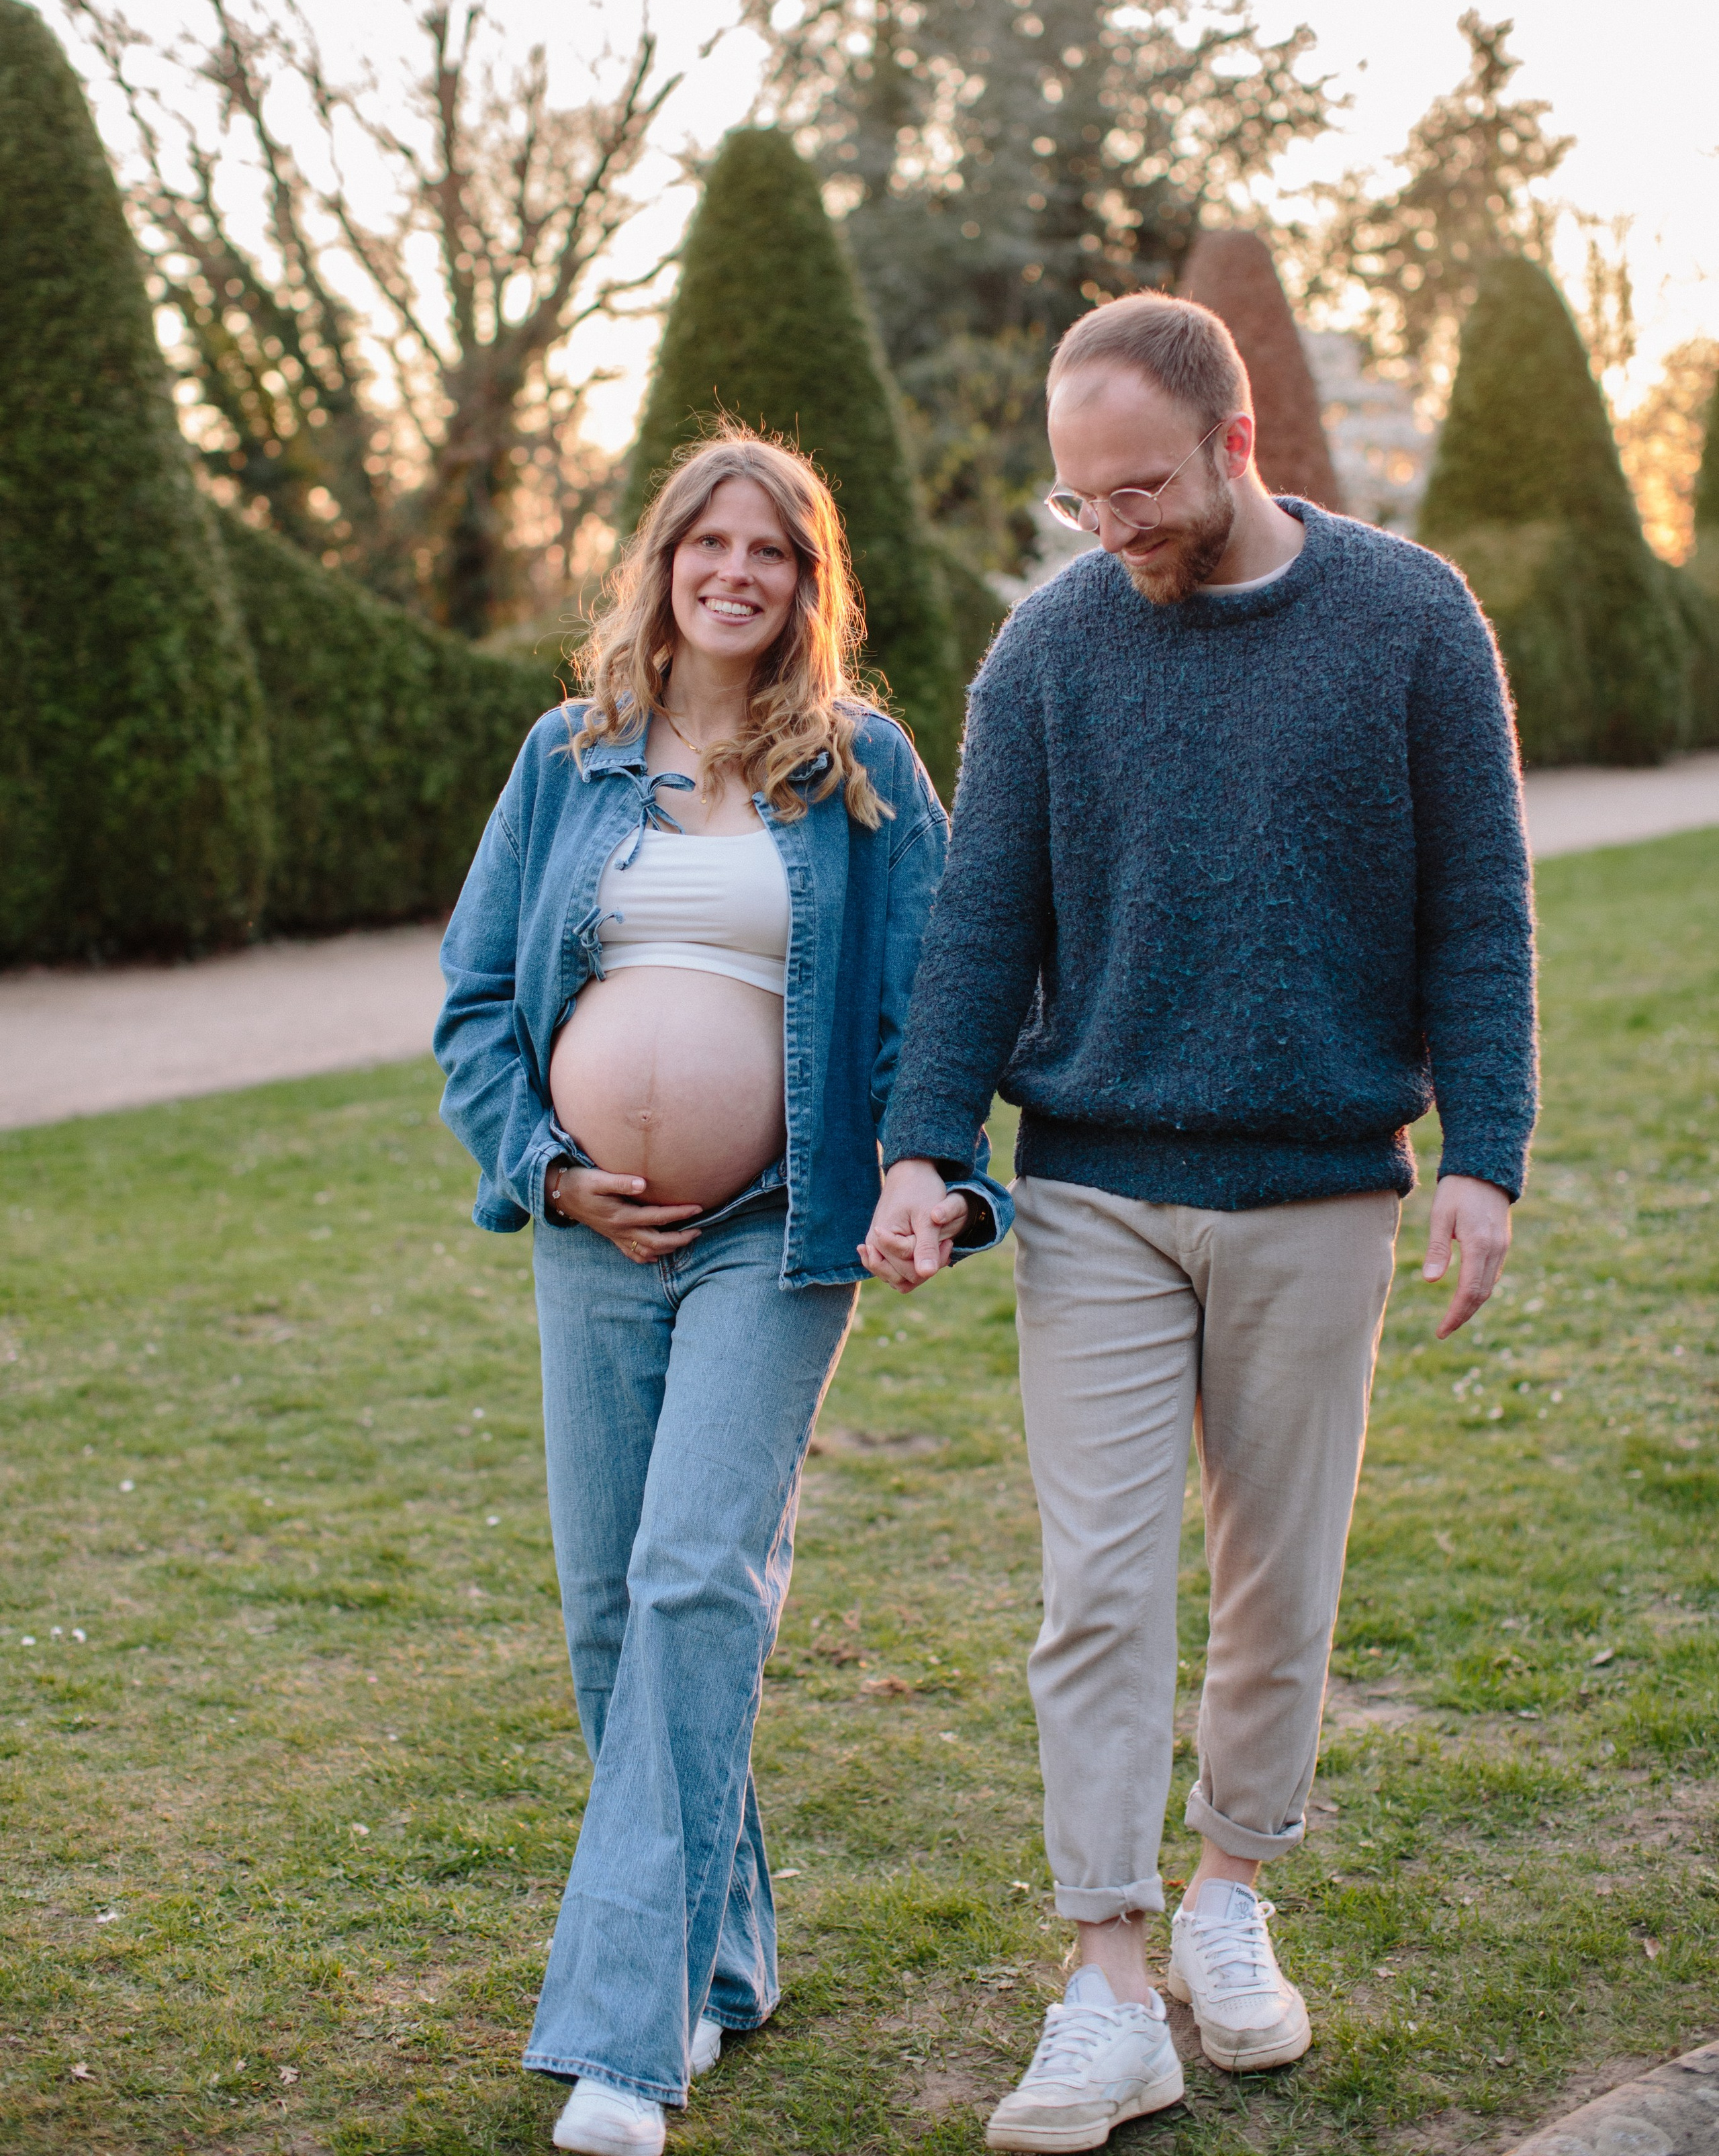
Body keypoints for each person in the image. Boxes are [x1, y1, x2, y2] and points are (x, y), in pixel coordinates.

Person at [862, 293, 1536, 2151]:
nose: (1113, 529)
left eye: (1142, 486)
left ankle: (1233, 1896)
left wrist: (1489, 1150)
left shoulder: (1407, 619)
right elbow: (983, 924)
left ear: (1240, 444)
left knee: (1274, 1581)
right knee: (1093, 1586)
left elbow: (1479, 904)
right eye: (1084, 499)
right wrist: (925, 1147)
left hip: (1318, 1185)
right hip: (1092, 1187)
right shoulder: (1051, 653)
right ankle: (1105, 1982)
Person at [434, 426, 1006, 2156]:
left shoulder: (866, 769)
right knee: (616, 1608)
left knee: (697, 1579)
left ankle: (625, 2044)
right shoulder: (570, 755)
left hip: (777, 1227)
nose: (737, 574)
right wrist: (547, 1167)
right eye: (710, 545)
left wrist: (938, 1175)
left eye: (774, 551)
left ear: (807, 582)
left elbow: (944, 1004)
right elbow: (473, 998)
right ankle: (722, 1955)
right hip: (588, 1228)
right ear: (665, 562)